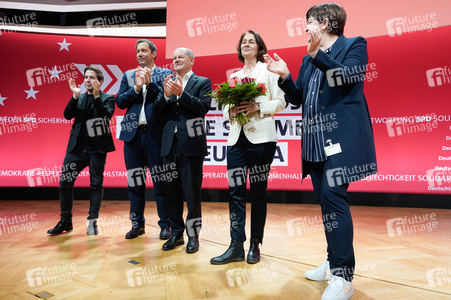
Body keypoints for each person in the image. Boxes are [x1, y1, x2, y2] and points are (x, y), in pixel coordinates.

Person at [264, 3, 377, 299]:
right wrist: (286, 76)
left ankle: (343, 276)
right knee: (326, 205)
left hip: (342, 140)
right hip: (314, 143)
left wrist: (317, 55)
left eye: (308, 22)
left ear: (325, 23)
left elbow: (347, 78)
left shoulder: (354, 45)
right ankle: (333, 260)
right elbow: (299, 98)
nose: (304, 28)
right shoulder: (306, 58)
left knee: (334, 200)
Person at [210, 30, 286, 265]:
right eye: (243, 42)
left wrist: (258, 108)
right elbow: (224, 106)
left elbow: (281, 102)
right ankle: (235, 245)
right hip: (236, 139)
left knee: (258, 192)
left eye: (251, 41)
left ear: (259, 47)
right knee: (235, 193)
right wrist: (229, 112)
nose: (246, 44)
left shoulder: (269, 71)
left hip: (262, 140)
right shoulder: (233, 75)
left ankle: (255, 243)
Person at [153, 47, 211, 254]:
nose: (176, 60)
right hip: (169, 144)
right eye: (174, 57)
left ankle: (193, 236)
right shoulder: (167, 81)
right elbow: (157, 112)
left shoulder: (202, 82)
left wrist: (182, 94)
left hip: (191, 145)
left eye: (180, 57)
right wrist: (166, 96)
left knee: (192, 193)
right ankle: (176, 233)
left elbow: (203, 108)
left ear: (191, 60)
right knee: (171, 192)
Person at [47, 66, 115, 236]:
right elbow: (67, 115)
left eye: (92, 77)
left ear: (100, 81)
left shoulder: (108, 98)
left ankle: (92, 222)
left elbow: (105, 116)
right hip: (76, 149)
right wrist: (75, 96)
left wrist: (97, 97)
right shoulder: (80, 97)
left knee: (96, 185)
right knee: (65, 183)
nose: (87, 80)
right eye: (85, 77)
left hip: (96, 150)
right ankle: (65, 222)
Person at [116, 39, 173, 240]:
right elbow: (120, 102)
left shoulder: (165, 74)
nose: (140, 54)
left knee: (160, 183)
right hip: (132, 137)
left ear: (154, 53)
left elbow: (167, 101)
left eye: (144, 50)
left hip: (155, 135)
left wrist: (152, 85)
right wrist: (137, 88)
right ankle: (137, 224)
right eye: (137, 51)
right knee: (135, 183)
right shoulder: (128, 75)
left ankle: (165, 225)